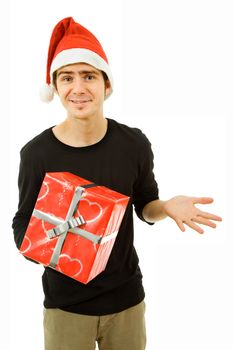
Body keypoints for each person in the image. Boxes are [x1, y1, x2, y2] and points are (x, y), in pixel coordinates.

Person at [12, 17, 222, 350]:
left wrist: (165, 207)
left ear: (106, 85)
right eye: (67, 78)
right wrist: (48, 245)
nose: (78, 88)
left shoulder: (133, 144)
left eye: (89, 76)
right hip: (66, 307)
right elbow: (22, 222)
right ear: (54, 87)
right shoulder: (37, 154)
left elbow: (146, 207)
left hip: (126, 301)